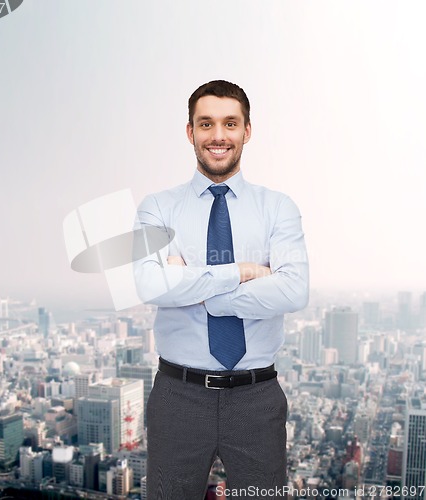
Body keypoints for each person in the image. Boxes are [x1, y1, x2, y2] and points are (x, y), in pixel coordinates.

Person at [134, 80, 309, 499]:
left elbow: (294, 291)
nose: (218, 136)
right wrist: (245, 271)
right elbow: (148, 284)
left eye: (230, 123)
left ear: (247, 130)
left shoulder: (277, 207)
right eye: (206, 123)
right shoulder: (157, 207)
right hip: (177, 396)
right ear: (190, 131)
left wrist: (195, 283)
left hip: (256, 397)